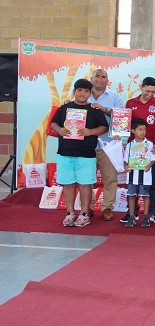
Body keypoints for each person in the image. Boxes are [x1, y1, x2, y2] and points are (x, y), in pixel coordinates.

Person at [50, 79, 108, 227]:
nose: (83, 94)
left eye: (86, 91)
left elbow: (104, 127)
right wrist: (59, 130)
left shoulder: (94, 109)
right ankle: (70, 213)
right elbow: (54, 123)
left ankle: (84, 214)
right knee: (68, 184)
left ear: (90, 93)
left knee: (85, 184)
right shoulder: (65, 107)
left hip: (86, 154)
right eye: (80, 90)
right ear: (74, 91)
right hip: (65, 153)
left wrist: (90, 131)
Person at [124, 77, 155, 224]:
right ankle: (132, 213)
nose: (150, 94)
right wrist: (119, 135)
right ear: (141, 87)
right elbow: (125, 124)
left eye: (153, 92)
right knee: (132, 182)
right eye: (147, 91)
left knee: (152, 182)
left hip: (150, 149)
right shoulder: (130, 103)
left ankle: (154, 213)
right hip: (133, 150)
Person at [87, 68, 124, 221]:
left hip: (108, 145)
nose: (100, 79)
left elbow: (122, 117)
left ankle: (107, 207)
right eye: (97, 76)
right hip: (86, 145)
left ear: (107, 81)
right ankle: (87, 207)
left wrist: (104, 109)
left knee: (110, 178)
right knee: (86, 178)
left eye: (103, 77)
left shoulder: (115, 97)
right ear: (91, 78)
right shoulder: (83, 94)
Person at [123, 118, 155, 228]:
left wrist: (149, 166)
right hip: (132, 175)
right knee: (131, 196)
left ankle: (146, 217)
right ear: (133, 131)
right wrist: (126, 166)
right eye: (140, 129)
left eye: (144, 130)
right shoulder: (129, 145)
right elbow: (125, 160)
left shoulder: (149, 144)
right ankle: (131, 216)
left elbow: (153, 159)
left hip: (145, 175)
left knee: (145, 196)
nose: (143, 132)